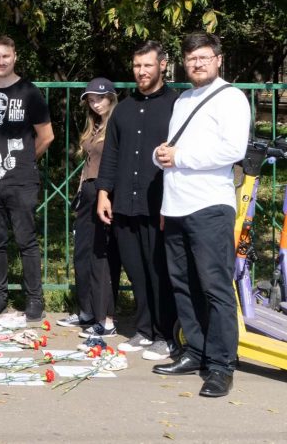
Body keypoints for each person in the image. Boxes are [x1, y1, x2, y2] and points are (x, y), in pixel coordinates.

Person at [151, 32, 250, 398]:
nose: (197, 63)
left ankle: (222, 366)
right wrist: (160, 156)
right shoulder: (184, 99)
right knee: (184, 285)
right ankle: (195, 351)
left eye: (204, 57)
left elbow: (232, 149)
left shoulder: (232, 98)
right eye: (191, 58)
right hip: (176, 205)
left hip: (209, 206)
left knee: (215, 288)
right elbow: (172, 148)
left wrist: (180, 158)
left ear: (218, 59)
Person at [95, 40, 179, 360]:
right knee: (136, 269)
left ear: (162, 66)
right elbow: (111, 154)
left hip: (158, 203)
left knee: (159, 270)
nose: (141, 72)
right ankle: (144, 330)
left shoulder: (176, 105)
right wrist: (104, 193)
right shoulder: (124, 109)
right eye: (137, 66)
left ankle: (165, 334)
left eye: (147, 65)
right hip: (125, 203)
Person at [0, 35, 54, 321]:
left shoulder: (30, 92)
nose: (1, 61)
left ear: (14, 56)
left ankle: (34, 299)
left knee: (27, 241)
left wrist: (24, 160)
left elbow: (46, 136)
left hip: (22, 180)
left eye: (6, 55)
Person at [67, 77, 120, 339]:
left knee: (102, 256)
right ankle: (87, 310)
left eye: (100, 97)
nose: (95, 103)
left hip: (105, 193)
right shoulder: (94, 126)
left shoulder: (117, 125)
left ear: (111, 97)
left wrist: (106, 194)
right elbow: (88, 163)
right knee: (83, 253)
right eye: (91, 99)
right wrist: (78, 193)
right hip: (87, 193)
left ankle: (106, 318)